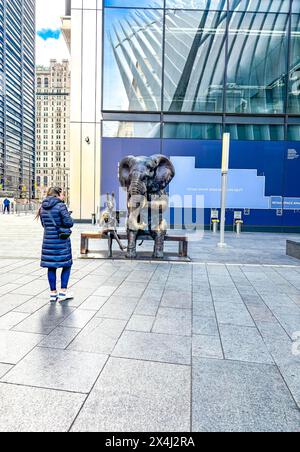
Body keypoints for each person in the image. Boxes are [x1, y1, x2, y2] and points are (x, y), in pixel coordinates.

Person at [37, 187, 74, 303]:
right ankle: (63, 292)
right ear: (57, 194)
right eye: (62, 194)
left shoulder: (43, 207)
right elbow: (69, 223)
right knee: (66, 265)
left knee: (51, 266)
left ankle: (53, 293)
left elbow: (44, 224)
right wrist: (68, 214)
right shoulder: (61, 206)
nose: (63, 196)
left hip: (48, 241)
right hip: (61, 241)